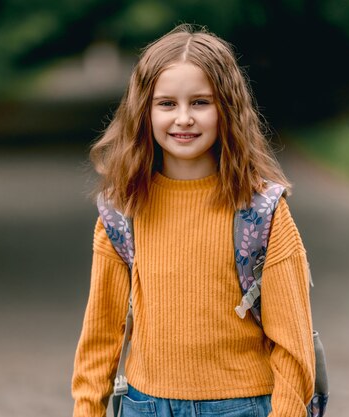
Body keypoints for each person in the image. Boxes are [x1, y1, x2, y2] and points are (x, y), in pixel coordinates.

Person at [72, 23, 315, 417]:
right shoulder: (122, 211)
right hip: (144, 405)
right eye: (166, 104)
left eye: (200, 102)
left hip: (242, 406)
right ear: (143, 112)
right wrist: (87, 409)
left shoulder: (263, 212)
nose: (183, 118)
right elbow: (100, 335)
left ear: (227, 110)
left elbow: (294, 342)